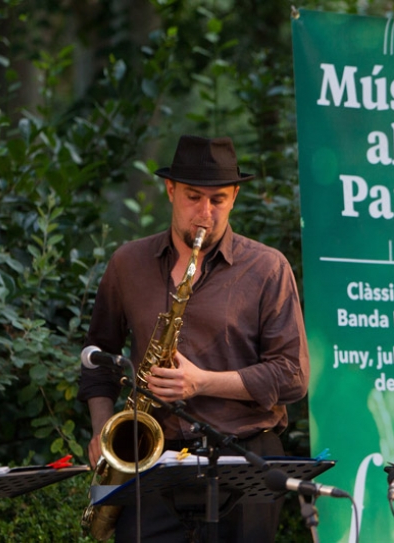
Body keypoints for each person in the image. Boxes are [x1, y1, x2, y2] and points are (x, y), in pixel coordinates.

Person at [78, 135, 310, 543]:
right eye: (192, 197)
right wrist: (102, 432)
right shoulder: (127, 263)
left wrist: (202, 382)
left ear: (235, 196)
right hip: (150, 463)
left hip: (243, 462)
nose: (205, 213)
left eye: (218, 199)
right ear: (170, 190)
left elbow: (292, 376)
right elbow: (97, 357)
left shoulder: (267, 268)